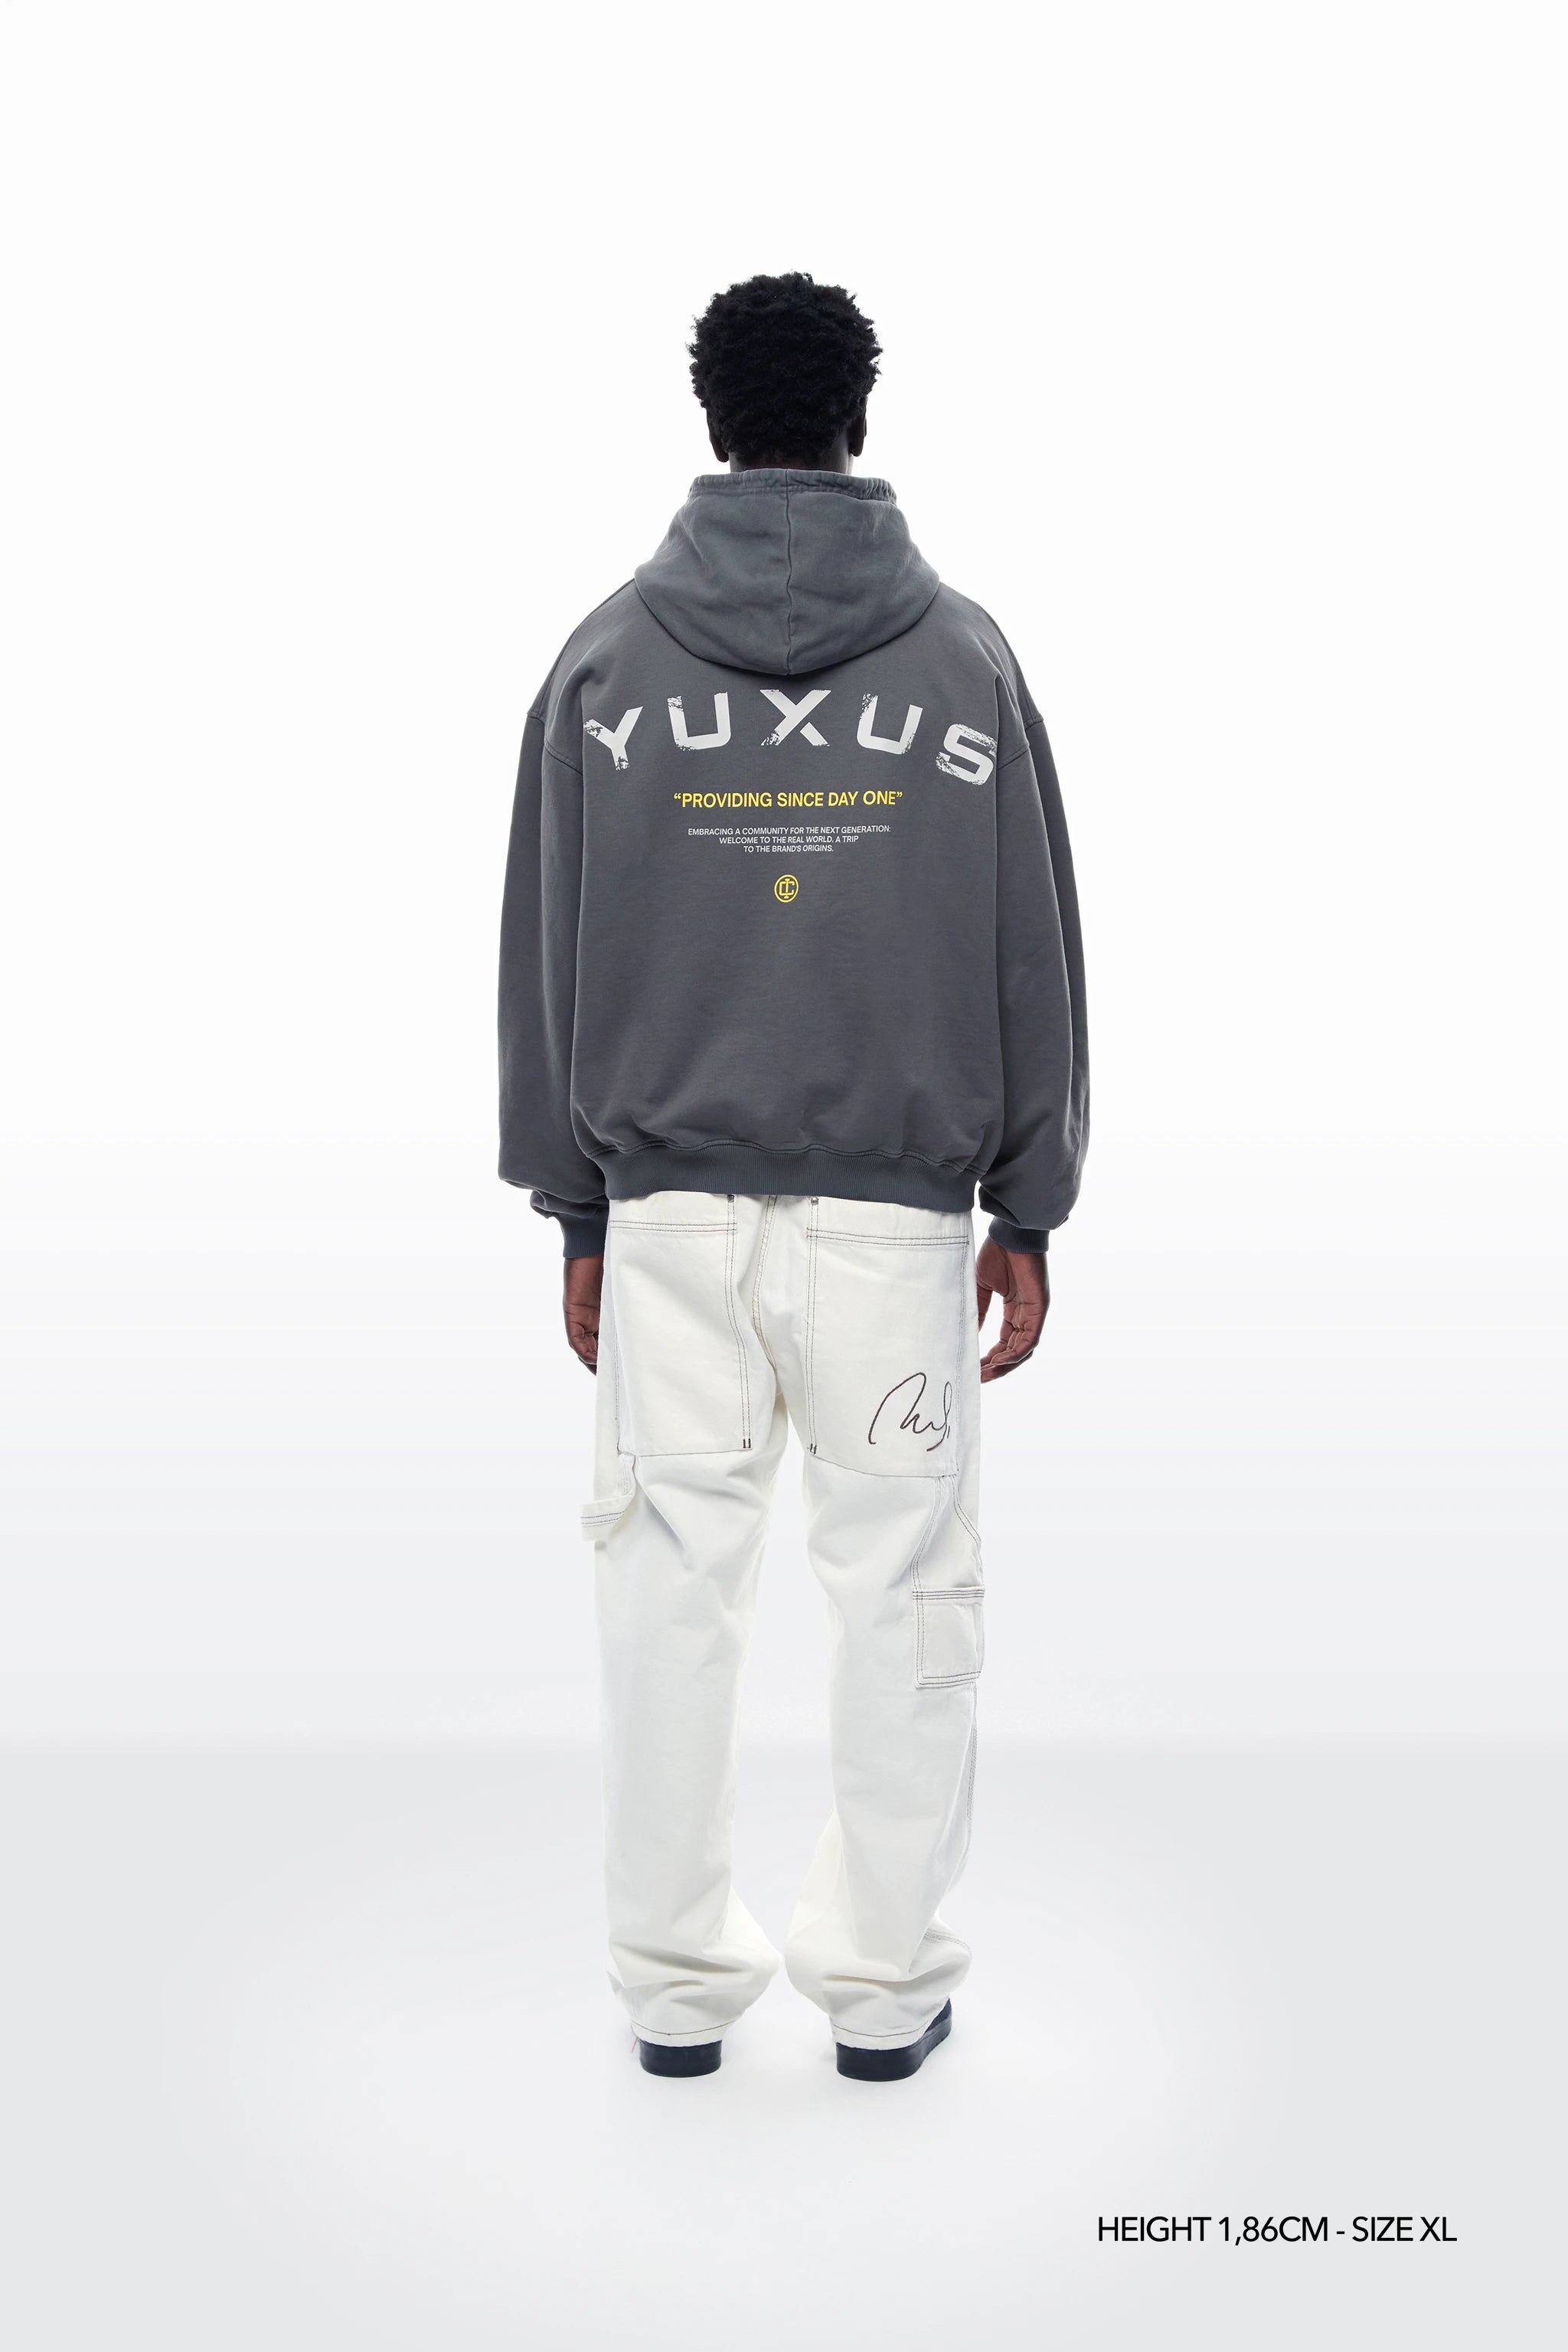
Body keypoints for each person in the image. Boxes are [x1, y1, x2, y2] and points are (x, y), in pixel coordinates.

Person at [498, 272, 1087, 2082]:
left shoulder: (606, 663)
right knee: (905, 1594)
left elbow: (544, 950)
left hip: (670, 1225)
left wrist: (577, 1208)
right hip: (895, 1230)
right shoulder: (963, 663)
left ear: (711, 417)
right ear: (859, 415)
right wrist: (1029, 1202)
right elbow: (1031, 950)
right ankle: (886, 1993)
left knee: (666, 1597)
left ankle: (675, 1996)